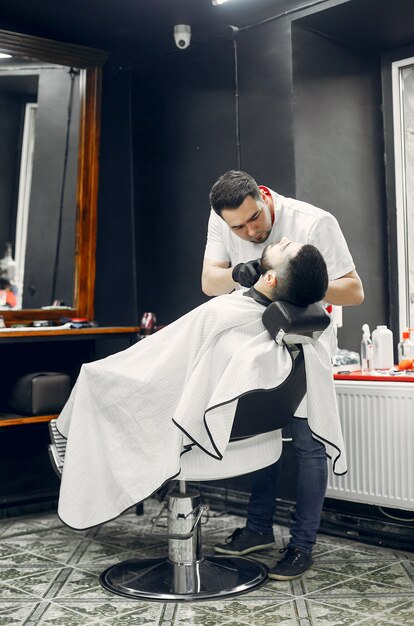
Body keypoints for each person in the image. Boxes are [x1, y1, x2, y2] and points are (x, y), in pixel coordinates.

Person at [56, 239, 345, 531]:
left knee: (95, 376)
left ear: (269, 278)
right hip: (252, 438)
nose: (282, 239)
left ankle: (74, 450)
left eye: (285, 246)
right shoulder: (297, 340)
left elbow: (164, 369)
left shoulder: (223, 312)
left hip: (195, 434)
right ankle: (73, 443)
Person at [202, 170, 364, 581]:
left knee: (308, 445)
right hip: (252, 347)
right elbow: (209, 282)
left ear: (263, 196)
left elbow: (353, 290)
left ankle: (301, 546)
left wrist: (294, 280)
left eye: (254, 218)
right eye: (238, 226)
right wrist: (242, 273)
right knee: (261, 435)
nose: (249, 230)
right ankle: (258, 528)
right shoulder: (225, 221)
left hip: (304, 346)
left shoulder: (313, 222)